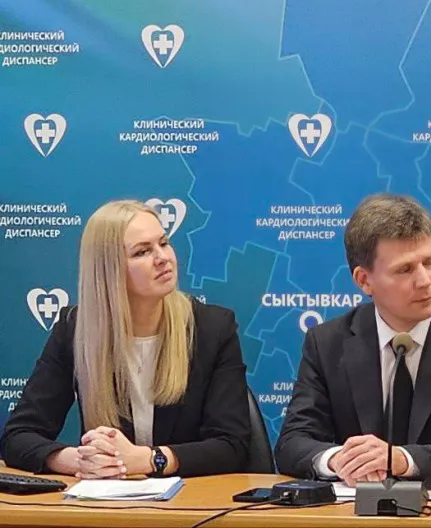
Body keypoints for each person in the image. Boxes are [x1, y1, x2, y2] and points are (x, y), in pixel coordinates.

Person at [275, 193, 431, 483]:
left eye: (430, 262)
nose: (425, 281)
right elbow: (292, 443)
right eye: (405, 269)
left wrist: (401, 460)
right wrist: (340, 459)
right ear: (364, 280)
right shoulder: (327, 344)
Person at [0, 200, 250, 478]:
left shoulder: (212, 328)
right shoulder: (75, 330)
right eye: (142, 251)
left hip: (190, 498)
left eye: (164, 243)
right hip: (106, 499)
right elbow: (18, 436)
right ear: (108, 269)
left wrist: (149, 460)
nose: (163, 258)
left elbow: (232, 446)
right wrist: (80, 461)